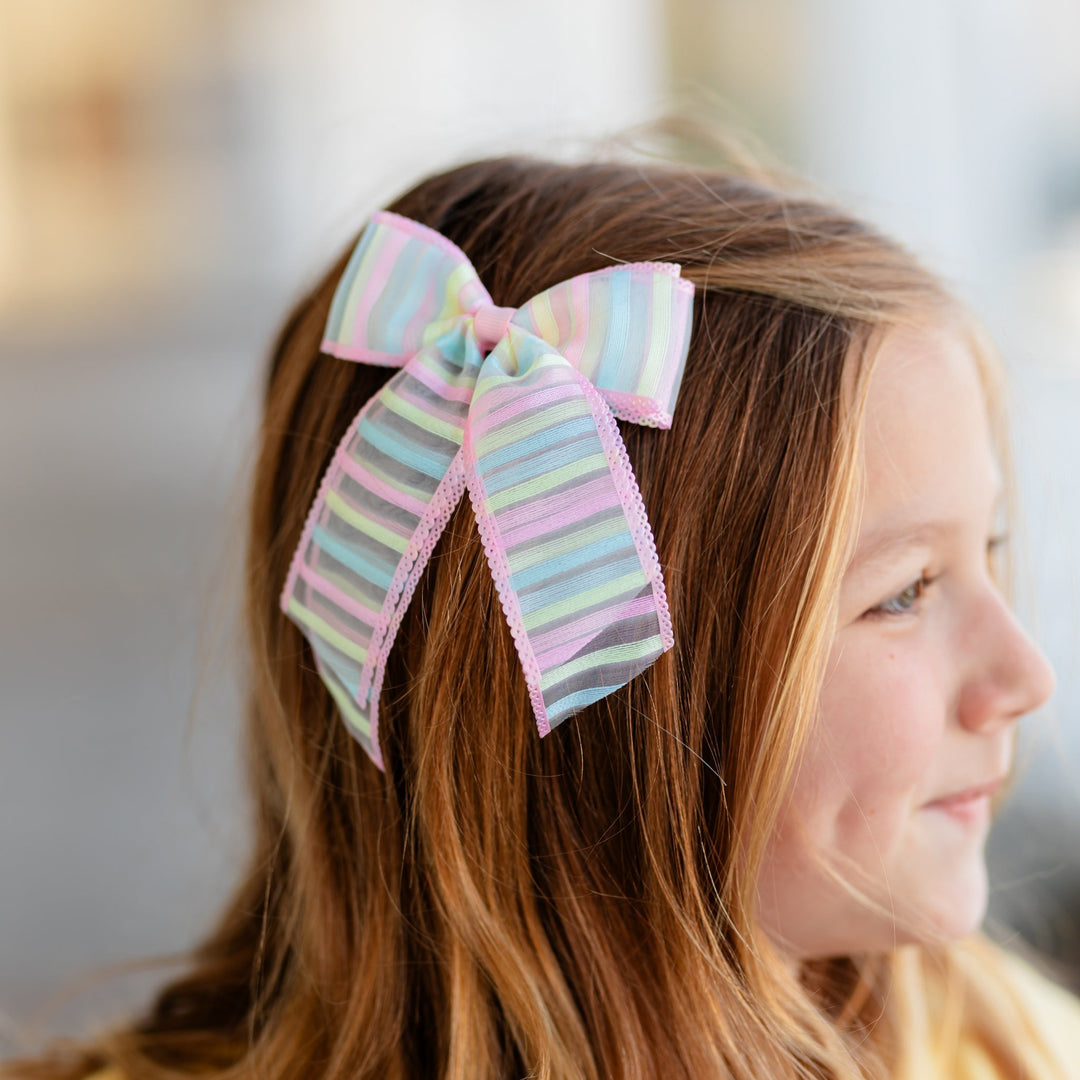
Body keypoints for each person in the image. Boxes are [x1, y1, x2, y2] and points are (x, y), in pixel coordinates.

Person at [5, 152, 1080, 1080]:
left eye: (986, 552)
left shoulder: (1017, 1050)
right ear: (607, 708)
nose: (1023, 674)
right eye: (903, 593)